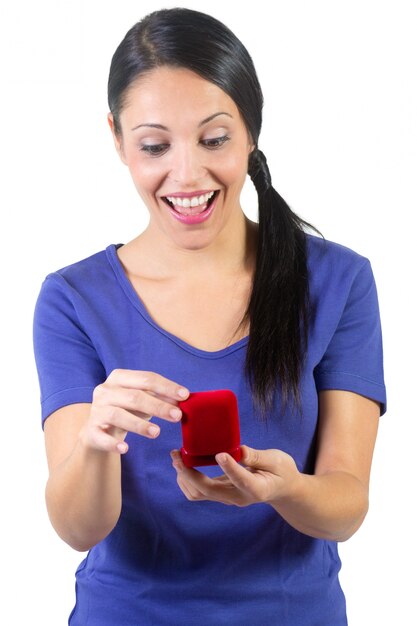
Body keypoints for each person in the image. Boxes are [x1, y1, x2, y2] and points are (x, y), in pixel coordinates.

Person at [33, 7, 386, 626]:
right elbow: (77, 529)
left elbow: (347, 504)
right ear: (117, 139)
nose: (188, 174)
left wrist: (285, 490)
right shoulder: (72, 299)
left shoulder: (339, 281)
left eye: (214, 138)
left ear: (251, 131)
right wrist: (95, 445)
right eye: (154, 145)